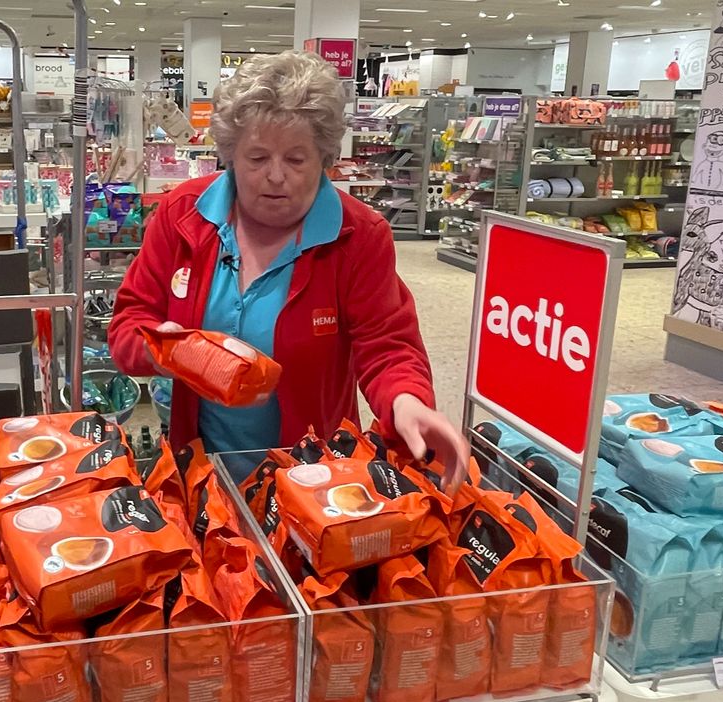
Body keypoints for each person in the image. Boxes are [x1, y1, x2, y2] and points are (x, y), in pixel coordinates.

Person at [109, 50, 468, 488]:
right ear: (229, 156)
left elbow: (388, 346)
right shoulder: (182, 215)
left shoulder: (359, 235)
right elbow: (129, 325)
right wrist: (171, 352)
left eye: (296, 160)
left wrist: (408, 402)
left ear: (324, 158)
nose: (275, 176)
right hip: (201, 468)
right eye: (257, 158)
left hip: (314, 476)